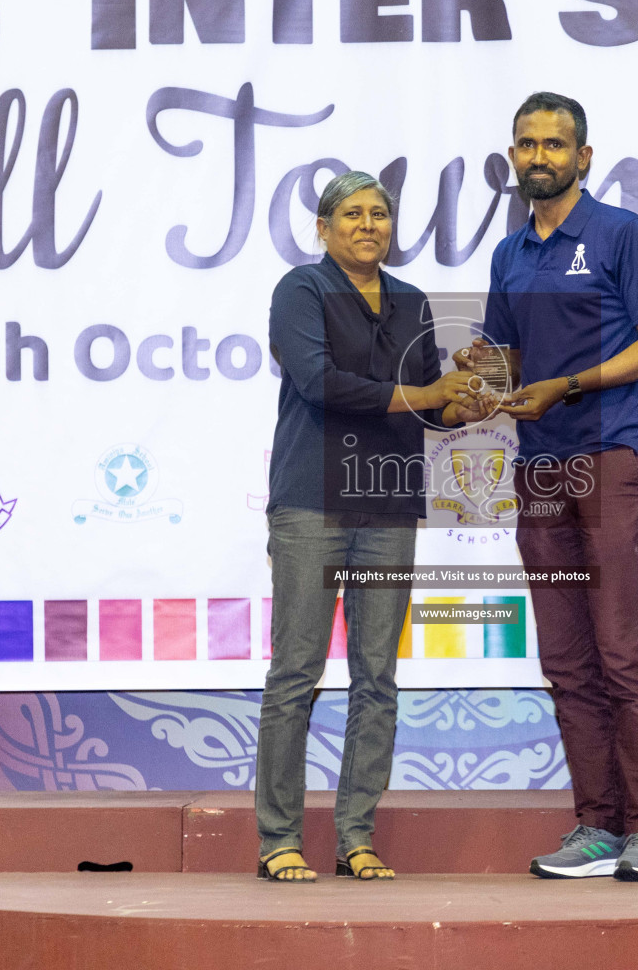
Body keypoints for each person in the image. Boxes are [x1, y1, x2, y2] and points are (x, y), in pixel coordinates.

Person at [457, 92, 638, 881]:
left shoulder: (622, 234)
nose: (539, 155)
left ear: (585, 156)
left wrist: (570, 385)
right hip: (537, 467)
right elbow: (508, 360)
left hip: (610, 457)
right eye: (526, 144)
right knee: (567, 658)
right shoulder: (509, 254)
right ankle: (598, 826)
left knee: (622, 650)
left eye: (555, 143)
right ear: (512, 157)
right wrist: (483, 376)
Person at [258, 171, 479, 882]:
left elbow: (426, 408)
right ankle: (279, 841)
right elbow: (317, 383)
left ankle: (356, 836)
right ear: (323, 229)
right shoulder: (301, 291)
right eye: (351, 214)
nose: (367, 224)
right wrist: (425, 393)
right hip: (310, 502)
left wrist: (465, 404)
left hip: (388, 505)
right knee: (296, 672)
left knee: (377, 677)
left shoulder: (412, 302)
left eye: (379, 214)